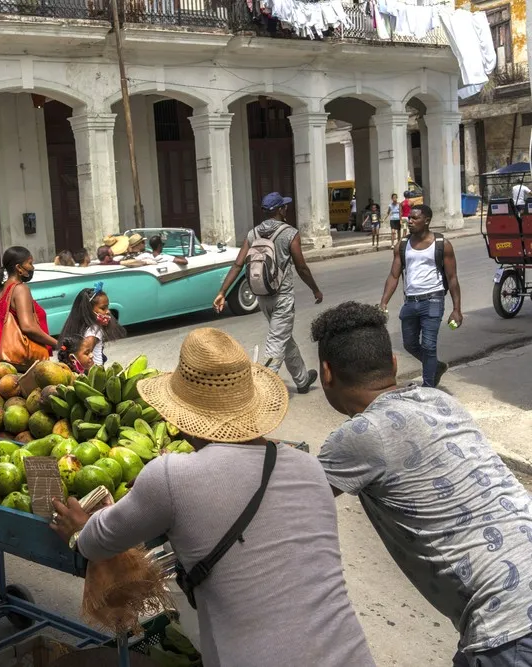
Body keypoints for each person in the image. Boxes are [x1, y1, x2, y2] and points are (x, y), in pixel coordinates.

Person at [49, 328, 375, 667]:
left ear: (182, 416)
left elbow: (96, 543)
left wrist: (79, 528)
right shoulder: (309, 467)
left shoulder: (171, 475)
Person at [312, 301, 532, 666]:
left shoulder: (359, 436)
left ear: (326, 373)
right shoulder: (441, 400)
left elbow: (289, 498)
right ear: (395, 364)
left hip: (506, 628)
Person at [213, 192, 323, 394]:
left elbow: (238, 265)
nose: (286, 209)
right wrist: (315, 290)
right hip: (282, 297)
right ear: (280, 210)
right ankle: (263, 391)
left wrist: (222, 291)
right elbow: (302, 268)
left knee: (283, 338)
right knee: (276, 341)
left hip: (262, 296)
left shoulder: (252, 234)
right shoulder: (290, 233)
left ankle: (302, 380)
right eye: (285, 207)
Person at [378, 204, 462, 388]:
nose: (410, 221)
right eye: (409, 218)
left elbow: (452, 278)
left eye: (415, 218)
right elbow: (394, 275)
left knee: (429, 346)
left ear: (427, 221)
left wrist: (457, 309)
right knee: (409, 344)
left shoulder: (442, 245)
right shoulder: (402, 245)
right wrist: (384, 301)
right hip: (410, 302)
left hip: (433, 299)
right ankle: (436, 367)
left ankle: (428, 386)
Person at [0, 246, 56, 369]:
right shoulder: (20, 289)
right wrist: (57, 343)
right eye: (30, 263)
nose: (32, 267)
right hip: (18, 361)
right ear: (19, 268)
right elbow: (28, 327)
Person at [58, 283, 126, 369]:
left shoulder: (85, 327)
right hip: (94, 373)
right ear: (88, 310)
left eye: (107, 307)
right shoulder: (94, 331)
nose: (108, 311)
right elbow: (84, 355)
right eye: (103, 308)